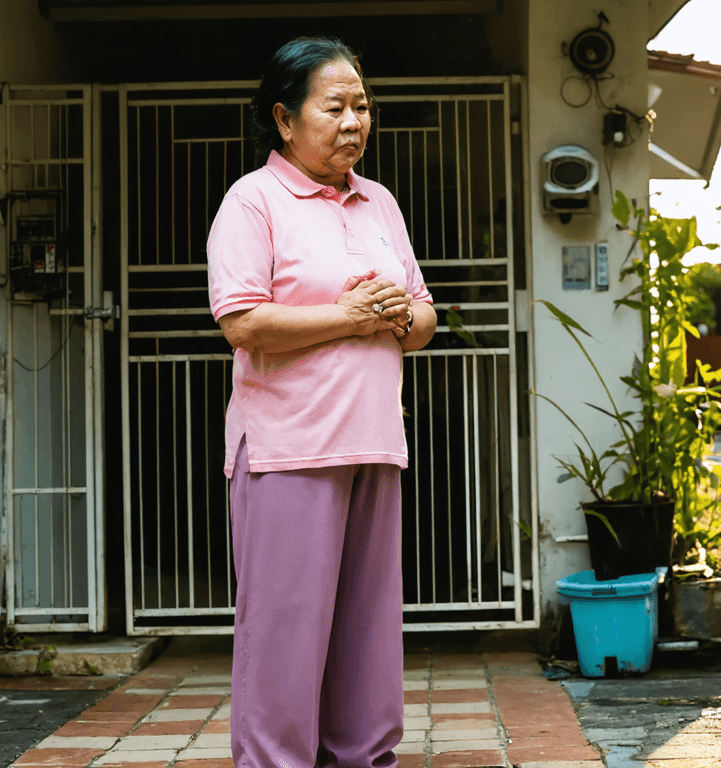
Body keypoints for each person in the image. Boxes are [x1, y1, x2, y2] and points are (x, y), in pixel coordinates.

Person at [206, 36, 436, 768]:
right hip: (288, 449)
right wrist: (351, 316)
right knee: (285, 629)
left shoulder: (380, 202)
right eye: (334, 107)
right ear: (284, 118)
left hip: (375, 440)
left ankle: (365, 759)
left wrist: (397, 314)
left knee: (369, 629)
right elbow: (243, 321)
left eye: (361, 106)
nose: (353, 122)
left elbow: (423, 317)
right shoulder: (254, 200)